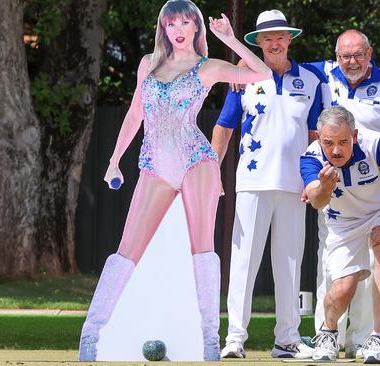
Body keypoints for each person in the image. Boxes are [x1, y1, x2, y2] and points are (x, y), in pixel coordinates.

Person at [77, 0, 271, 362]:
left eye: (186, 22)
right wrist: (114, 160)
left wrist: (230, 39)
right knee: (126, 251)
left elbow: (262, 74)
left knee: (202, 249)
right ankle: (90, 333)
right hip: (155, 163)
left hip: (196, 160)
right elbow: (136, 112)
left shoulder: (208, 67)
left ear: (197, 28)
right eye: (171, 23)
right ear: (163, 28)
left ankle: (210, 338)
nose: (179, 29)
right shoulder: (147, 65)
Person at [211, 9, 321, 359]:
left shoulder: (313, 81)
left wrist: (314, 178)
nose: (274, 42)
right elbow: (224, 128)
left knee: (289, 264)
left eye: (280, 36)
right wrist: (213, 173)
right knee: (243, 263)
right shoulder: (242, 78)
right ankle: (235, 338)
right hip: (253, 182)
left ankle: (287, 338)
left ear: (290, 39)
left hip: (295, 186)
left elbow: (316, 134)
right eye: (266, 38)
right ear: (258, 43)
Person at [303, 29, 380, 358]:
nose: (351, 61)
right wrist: (240, 69)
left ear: (370, 53)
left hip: (379, 188)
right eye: (344, 56)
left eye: (358, 55)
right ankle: (328, 335)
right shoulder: (323, 75)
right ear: (335, 57)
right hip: (337, 192)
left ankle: (366, 340)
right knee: (335, 269)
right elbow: (278, 63)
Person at [301, 106, 380, 363]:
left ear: (355, 136)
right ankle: (328, 332)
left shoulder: (376, 144)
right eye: (328, 142)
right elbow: (315, 200)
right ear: (318, 138)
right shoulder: (311, 157)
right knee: (343, 289)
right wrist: (325, 187)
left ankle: (378, 338)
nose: (336, 150)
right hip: (343, 222)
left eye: (343, 142)